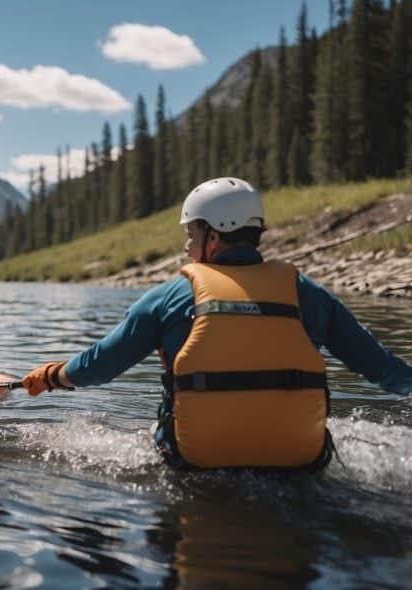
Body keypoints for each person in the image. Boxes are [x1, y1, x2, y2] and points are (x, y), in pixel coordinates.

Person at [22, 177, 412, 470]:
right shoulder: (308, 294)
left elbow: (99, 366)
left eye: (191, 234)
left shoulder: (169, 296)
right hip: (297, 463)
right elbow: (383, 370)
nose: (187, 246)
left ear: (215, 234)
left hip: (194, 463)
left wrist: (53, 375)